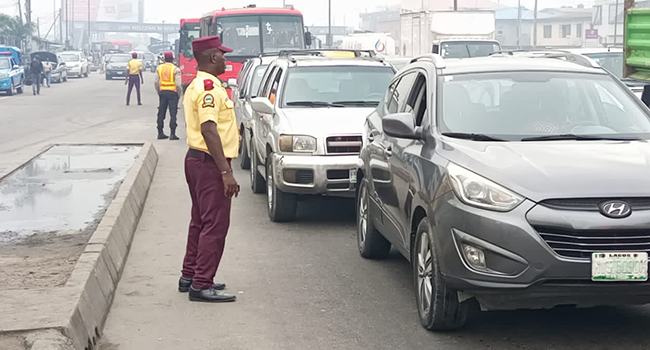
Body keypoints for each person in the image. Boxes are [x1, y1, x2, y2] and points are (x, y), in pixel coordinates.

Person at [179, 36, 239, 303]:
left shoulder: (197, 85)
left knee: (200, 221)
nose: (226, 59)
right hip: (209, 164)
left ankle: (190, 275)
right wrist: (226, 171)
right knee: (215, 225)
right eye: (223, 55)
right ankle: (201, 284)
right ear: (213, 58)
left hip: (197, 160)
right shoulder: (209, 89)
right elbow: (209, 129)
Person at [154, 51, 182, 140]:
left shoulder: (159, 68)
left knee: (161, 112)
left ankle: (160, 132)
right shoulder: (176, 69)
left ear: (165, 59)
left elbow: (156, 82)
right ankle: (172, 134)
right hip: (173, 93)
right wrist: (179, 94)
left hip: (163, 93)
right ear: (172, 58)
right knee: (173, 113)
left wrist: (159, 91)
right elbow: (178, 84)